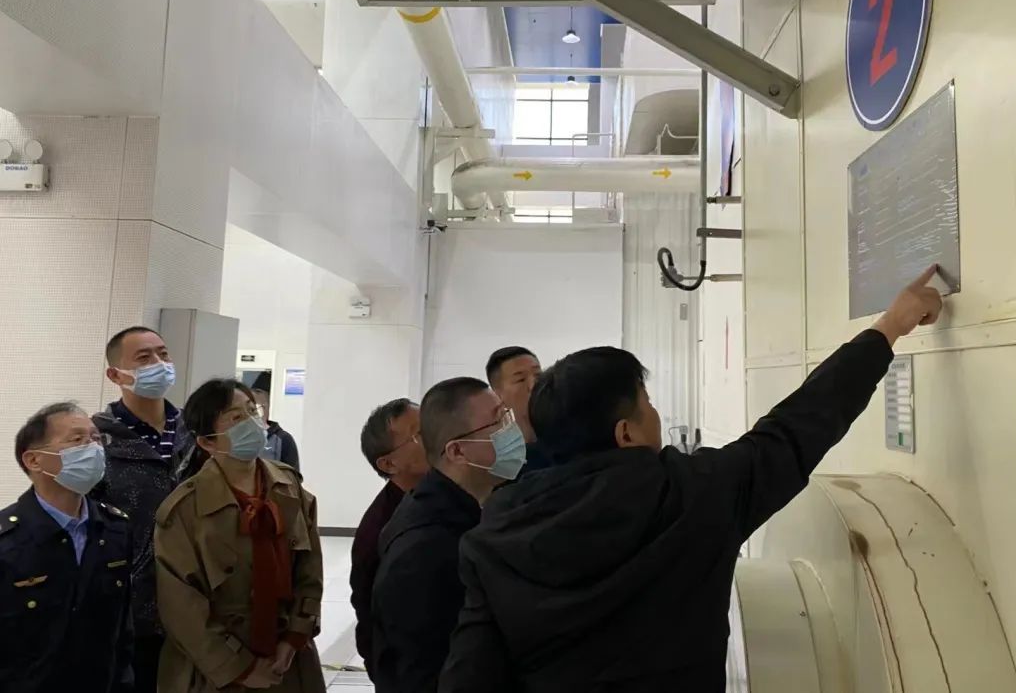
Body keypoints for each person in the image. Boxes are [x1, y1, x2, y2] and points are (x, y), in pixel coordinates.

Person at [438, 268, 946, 693]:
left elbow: (468, 678)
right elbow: (799, 425)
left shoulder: (491, 540)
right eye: (648, 404)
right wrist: (890, 327)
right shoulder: (694, 493)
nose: (656, 415)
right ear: (625, 432)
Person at [154, 378, 324, 693]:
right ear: (208, 442)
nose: (251, 423)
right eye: (235, 418)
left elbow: (310, 570)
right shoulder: (184, 510)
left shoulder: (289, 490)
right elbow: (181, 607)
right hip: (216, 673)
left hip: (288, 662)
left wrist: (295, 636)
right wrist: (240, 668)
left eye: (251, 411)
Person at [370, 378, 526, 693]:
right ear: (456, 451)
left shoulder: (472, 509)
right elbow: (426, 671)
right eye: (497, 422)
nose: (512, 431)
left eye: (506, 415)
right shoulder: (426, 548)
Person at [1, 402, 135, 693]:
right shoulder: (7, 540)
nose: (94, 448)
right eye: (77, 440)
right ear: (34, 460)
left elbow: (122, 632)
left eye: (96, 438)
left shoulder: (115, 528)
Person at [92, 325, 194, 693]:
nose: (159, 364)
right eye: (144, 358)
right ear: (115, 375)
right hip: (133, 611)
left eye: (163, 354)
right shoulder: (96, 441)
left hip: (201, 605)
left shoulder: (197, 434)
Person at [351, 398, 430, 666]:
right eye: (420, 434)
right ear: (388, 464)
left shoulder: (441, 497)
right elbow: (370, 615)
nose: (437, 436)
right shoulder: (380, 529)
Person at [485, 347, 550, 471]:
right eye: (520, 380)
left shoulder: (572, 437)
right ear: (497, 396)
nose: (533, 385)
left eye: (538, 375)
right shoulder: (500, 460)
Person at [250, 371, 301, 470]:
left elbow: (292, 477)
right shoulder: (239, 436)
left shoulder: (283, 440)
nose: (253, 396)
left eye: (258, 392)